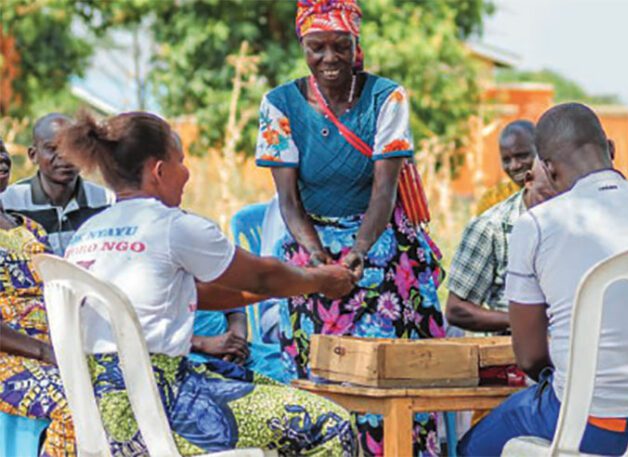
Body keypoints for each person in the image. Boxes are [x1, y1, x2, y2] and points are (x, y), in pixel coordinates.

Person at [59, 111, 359, 456]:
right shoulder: (172, 226)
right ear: (159, 171)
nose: (187, 173)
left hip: (97, 412)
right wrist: (321, 280)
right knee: (330, 423)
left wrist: (276, 288)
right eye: (181, 161)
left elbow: (195, 294)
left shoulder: (86, 234)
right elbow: (262, 275)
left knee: (272, 390)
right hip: (161, 407)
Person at [255, 1, 445, 455]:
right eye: (316, 47)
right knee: (320, 380)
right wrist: (319, 263)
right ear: (302, 47)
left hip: (379, 246)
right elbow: (288, 202)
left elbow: (384, 192)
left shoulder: (386, 98)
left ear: (356, 45)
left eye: (340, 46)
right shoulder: (279, 104)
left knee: (388, 378)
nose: (329, 58)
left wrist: (356, 254)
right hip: (311, 246)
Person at [458, 103, 628, 456]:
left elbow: (530, 357)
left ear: (547, 168)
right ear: (610, 149)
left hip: (587, 424)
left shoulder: (536, 226)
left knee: (469, 446)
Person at [0, 137, 76, 456]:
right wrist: (46, 352)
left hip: (54, 349)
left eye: (2, 151)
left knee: (119, 391)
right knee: (77, 405)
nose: (1, 159)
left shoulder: (31, 229)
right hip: (9, 358)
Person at [446, 154, 556, 334]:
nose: (554, 207)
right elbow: (457, 310)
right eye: (546, 197)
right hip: (513, 344)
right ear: (529, 181)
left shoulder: (574, 221)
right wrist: (526, 320)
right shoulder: (490, 227)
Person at [1, 113, 113, 256]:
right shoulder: (9, 202)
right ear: (33, 155)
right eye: (52, 148)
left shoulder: (105, 201)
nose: (64, 155)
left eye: (72, 147)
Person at [474, 120, 536, 215]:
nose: (514, 166)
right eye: (506, 160)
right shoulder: (493, 200)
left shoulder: (557, 193)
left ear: (541, 151)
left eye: (522, 156)